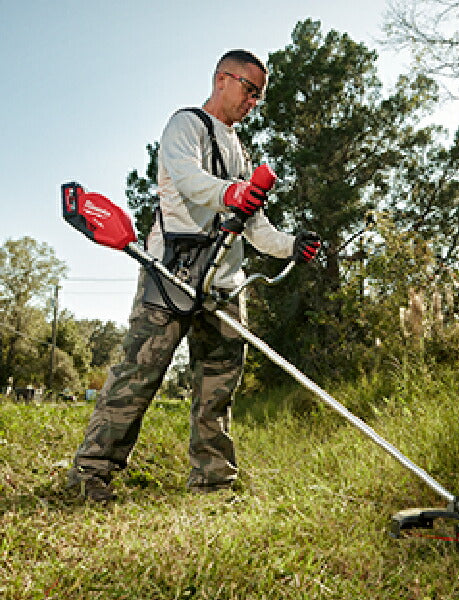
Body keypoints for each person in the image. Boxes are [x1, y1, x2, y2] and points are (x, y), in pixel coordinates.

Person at [67, 49, 321, 501]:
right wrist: (236, 193)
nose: (254, 102)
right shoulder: (185, 126)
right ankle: (91, 474)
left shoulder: (241, 152)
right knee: (136, 377)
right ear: (223, 78)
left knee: (217, 390)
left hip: (224, 284)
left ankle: (214, 481)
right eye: (249, 89)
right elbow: (190, 182)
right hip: (172, 276)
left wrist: (291, 246)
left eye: (260, 96)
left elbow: (255, 225)